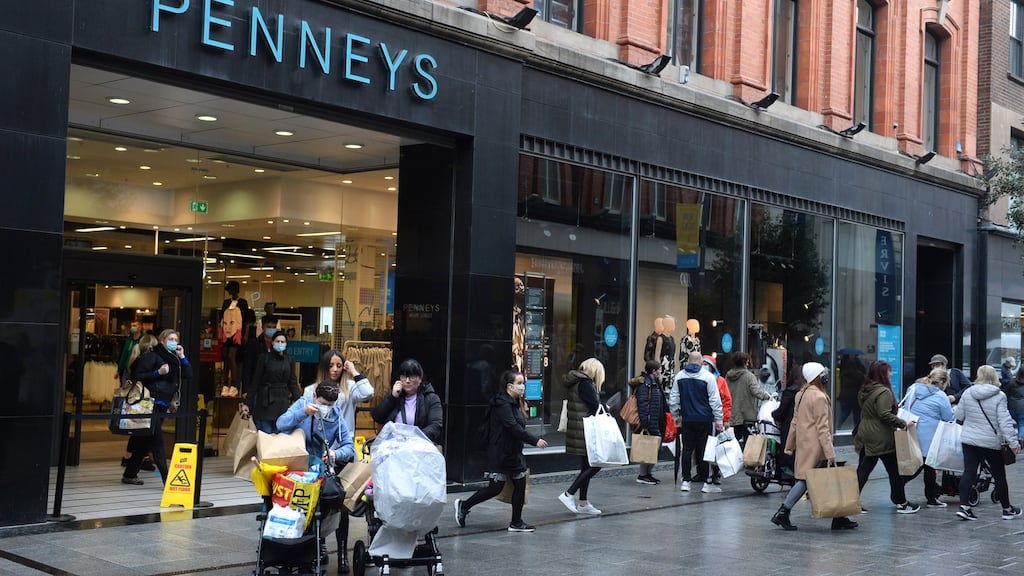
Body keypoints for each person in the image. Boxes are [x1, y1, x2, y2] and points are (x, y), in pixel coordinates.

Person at [303, 350, 374, 574]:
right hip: (318, 457)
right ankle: (321, 546)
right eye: (331, 365)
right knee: (318, 504)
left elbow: (369, 391)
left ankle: (343, 553)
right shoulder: (310, 391)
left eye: (338, 365)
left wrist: (353, 371)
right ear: (324, 367)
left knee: (342, 506)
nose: (334, 369)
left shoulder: (349, 388)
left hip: (342, 455)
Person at [276, 381, 356, 573]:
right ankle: (294, 546)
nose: (326, 408)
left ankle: (329, 545)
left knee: (336, 499)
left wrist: (336, 454)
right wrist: (304, 412)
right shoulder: (302, 404)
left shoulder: (335, 416)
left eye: (330, 405)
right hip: (294, 467)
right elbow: (280, 424)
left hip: (320, 470)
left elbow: (349, 446)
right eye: (322, 403)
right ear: (314, 398)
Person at [455, 370, 549, 532]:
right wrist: (535, 440)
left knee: (502, 486)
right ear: (509, 386)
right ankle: (514, 522)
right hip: (502, 453)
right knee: (504, 486)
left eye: (523, 383)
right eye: (519, 383)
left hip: (510, 451)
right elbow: (513, 427)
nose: (522, 387)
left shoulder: (514, 402)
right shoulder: (503, 404)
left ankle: (466, 506)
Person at [771, 362, 857, 531]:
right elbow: (822, 428)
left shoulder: (801, 394)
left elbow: (794, 422)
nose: (825, 376)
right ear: (817, 376)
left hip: (806, 445)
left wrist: (789, 445)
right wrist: (830, 452)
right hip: (817, 447)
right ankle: (783, 511)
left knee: (813, 479)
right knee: (806, 480)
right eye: (823, 373)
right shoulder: (818, 397)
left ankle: (838, 517)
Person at [954, 365, 1022, 521]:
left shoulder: (967, 392)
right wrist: (1013, 443)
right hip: (990, 442)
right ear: (994, 376)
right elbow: (1004, 422)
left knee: (969, 472)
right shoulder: (999, 396)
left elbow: (959, 415)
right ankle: (1007, 509)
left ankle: (964, 507)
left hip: (969, 440)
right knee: (999, 475)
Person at [126, 329, 192, 486]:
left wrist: (182, 356)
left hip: (162, 405)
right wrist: (157, 373)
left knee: (145, 440)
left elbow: (188, 374)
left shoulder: (174, 359)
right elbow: (136, 376)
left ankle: (130, 473)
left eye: (176, 339)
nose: (173, 341)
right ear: (162, 340)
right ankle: (167, 479)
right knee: (158, 443)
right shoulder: (153, 356)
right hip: (150, 405)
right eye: (170, 338)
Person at [854, 360, 920, 514]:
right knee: (895, 470)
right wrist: (903, 423)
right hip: (881, 436)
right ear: (883, 374)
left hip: (865, 432)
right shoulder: (883, 392)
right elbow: (884, 414)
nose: (891, 374)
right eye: (889, 371)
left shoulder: (865, 389)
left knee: (863, 470)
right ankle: (901, 502)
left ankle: (851, 502)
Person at [557, 357, 607, 515]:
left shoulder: (575, 381)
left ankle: (583, 503)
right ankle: (569, 494)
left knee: (587, 465)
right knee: (596, 463)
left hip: (578, 428)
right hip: (585, 430)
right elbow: (593, 405)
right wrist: (606, 407)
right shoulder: (585, 383)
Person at [669, 351, 724, 494]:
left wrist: (676, 416)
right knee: (704, 451)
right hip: (705, 419)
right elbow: (715, 400)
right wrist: (719, 419)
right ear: (700, 362)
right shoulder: (708, 377)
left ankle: (686, 481)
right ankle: (706, 482)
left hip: (687, 419)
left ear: (688, 361)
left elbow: (674, 398)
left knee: (687, 450)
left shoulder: (680, 376)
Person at [904, 368, 955, 507]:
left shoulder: (913, 388)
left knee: (919, 465)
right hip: (929, 436)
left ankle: (901, 491)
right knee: (928, 466)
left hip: (912, 431)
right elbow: (948, 417)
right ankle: (930, 499)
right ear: (943, 382)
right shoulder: (940, 395)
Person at [370, 358, 443, 444]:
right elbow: (377, 417)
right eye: (404, 377)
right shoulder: (394, 395)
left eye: (412, 377)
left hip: (419, 446)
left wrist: (415, 438)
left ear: (420, 379)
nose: (407, 381)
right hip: (393, 446)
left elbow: (435, 425)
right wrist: (392, 397)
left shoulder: (431, 398)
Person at [242, 331, 301, 434]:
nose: (280, 344)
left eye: (282, 342)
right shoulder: (264, 358)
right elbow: (255, 382)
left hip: (282, 404)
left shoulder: (290, 360)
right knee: (266, 439)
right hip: (265, 404)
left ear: (286, 344)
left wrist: (299, 401)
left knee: (280, 441)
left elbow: (293, 383)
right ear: (272, 343)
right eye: (277, 341)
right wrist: (247, 403)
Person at [119, 334, 158, 484]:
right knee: (146, 436)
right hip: (145, 404)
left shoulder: (135, 360)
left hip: (137, 404)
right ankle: (135, 465)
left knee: (139, 435)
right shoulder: (146, 362)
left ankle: (131, 462)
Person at [726, 351, 772, 442]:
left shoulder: (728, 376)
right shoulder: (749, 376)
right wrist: (767, 396)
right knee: (748, 443)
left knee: (734, 442)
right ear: (745, 362)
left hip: (732, 414)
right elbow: (756, 392)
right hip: (747, 415)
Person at [632, 360, 665, 485]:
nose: (661, 372)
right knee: (649, 448)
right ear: (654, 371)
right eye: (659, 370)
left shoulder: (654, 383)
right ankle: (642, 475)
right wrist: (645, 423)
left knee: (654, 448)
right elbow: (643, 403)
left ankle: (647, 474)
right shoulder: (645, 384)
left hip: (655, 420)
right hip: (650, 421)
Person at [702, 355, 732, 489]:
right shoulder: (700, 379)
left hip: (715, 420)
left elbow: (726, 401)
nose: (704, 366)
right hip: (704, 418)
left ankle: (715, 473)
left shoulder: (720, 381)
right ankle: (702, 472)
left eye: (706, 364)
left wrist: (725, 419)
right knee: (703, 448)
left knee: (716, 448)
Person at [220, 281, 250, 397]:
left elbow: (246, 321)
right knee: (226, 357)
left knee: (232, 356)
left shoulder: (242, 303)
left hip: (236, 332)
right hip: (226, 332)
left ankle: (234, 384)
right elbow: (222, 318)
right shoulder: (226, 303)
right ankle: (225, 384)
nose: (229, 292)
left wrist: (245, 335)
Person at [242, 314, 278, 399]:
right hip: (257, 389)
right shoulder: (254, 344)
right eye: (269, 327)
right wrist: (245, 390)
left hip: (275, 390)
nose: (271, 329)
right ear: (262, 327)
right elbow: (247, 368)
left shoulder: (279, 345)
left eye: (274, 327)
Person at [836, 353, 866, 429]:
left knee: (844, 413)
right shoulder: (858, 374)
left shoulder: (843, 374)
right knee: (856, 414)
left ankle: (837, 426)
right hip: (855, 396)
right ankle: (857, 430)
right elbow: (863, 380)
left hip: (845, 395)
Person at [1006, 365, 1024, 443]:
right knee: (1022, 424)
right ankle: (1021, 438)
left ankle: (1020, 436)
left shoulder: (1011, 382)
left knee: (1020, 423)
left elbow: (1007, 393)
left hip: (1012, 408)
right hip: (1022, 408)